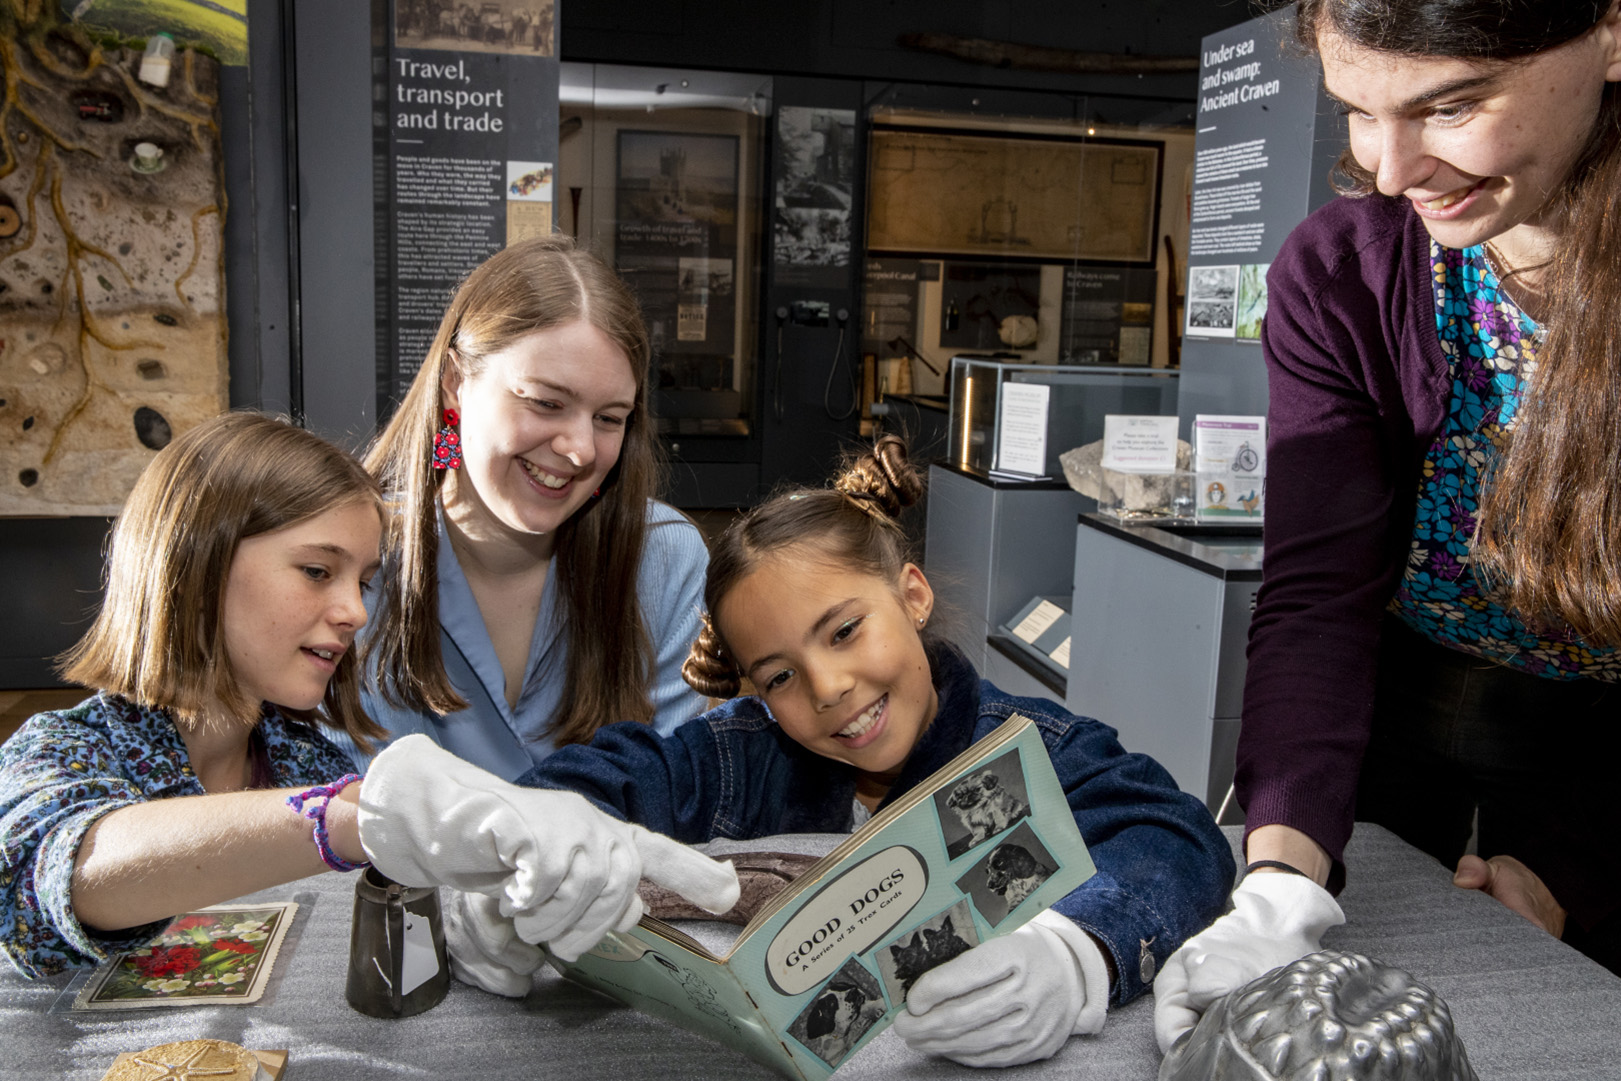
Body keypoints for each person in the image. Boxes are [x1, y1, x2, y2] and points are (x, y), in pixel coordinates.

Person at [395, 436, 1233, 1066]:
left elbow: (1178, 835)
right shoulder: (748, 753)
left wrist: (1077, 954)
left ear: (909, 593)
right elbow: (618, 769)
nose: (828, 688)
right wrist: (519, 849)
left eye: (843, 630)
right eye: (781, 675)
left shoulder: (1034, 746)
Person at [1155, 0, 1621, 1052]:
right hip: (1398, 706)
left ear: (1608, 32)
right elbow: (1319, 596)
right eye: (1357, 113)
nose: (1392, 169)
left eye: (1450, 104)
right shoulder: (1345, 270)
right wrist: (1280, 875)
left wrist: (1573, 864)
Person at [0, 414, 384, 978]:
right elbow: (57, 873)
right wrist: (338, 820)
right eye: (316, 570)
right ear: (197, 566)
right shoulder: (59, 751)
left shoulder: (312, 762)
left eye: (363, 581)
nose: (356, 611)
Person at [360, 235, 710, 780]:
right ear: (455, 382)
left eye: (609, 418)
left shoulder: (665, 557)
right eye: (547, 402)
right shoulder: (352, 557)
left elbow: (670, 791)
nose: (581, 449)